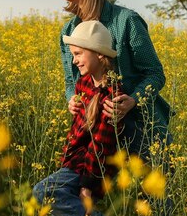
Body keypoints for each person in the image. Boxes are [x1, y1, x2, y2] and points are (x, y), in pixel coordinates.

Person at [60, 0, 173, 211]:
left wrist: (132, 100)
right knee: (89, 201)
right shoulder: (68, 31)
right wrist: (72, 100)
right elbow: (71, 80)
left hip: (142, 131)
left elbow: (155, 73)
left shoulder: (126, 21)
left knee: (154, 206)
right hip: (98, 137)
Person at [33, 20, 123, 216]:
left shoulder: (111, 94)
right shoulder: (83, 83)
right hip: (73, 163)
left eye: (78, 54)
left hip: (90, 169)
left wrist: (87, 185)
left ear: (99, 53)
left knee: (42, 192)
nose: (74, 61)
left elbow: (99, 144)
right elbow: (77, 131)